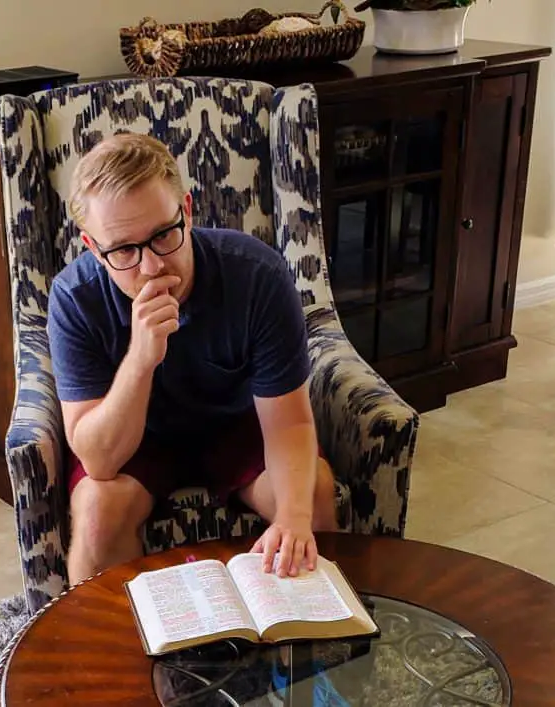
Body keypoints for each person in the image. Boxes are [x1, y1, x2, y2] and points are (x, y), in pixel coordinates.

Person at [48, 132, 339, 586]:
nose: (151, 267)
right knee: (97, 512)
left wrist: (295, 518)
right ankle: (116, 652)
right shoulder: (75, 299)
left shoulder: (256, 276)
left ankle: (305, 645)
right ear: (92, 247)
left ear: (186, 209)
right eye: (124, 250)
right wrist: (141, 359)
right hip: (138, 438)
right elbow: (99, 460)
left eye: (163, 235)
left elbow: (290, 423)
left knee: (314, 495)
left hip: (237, 424)